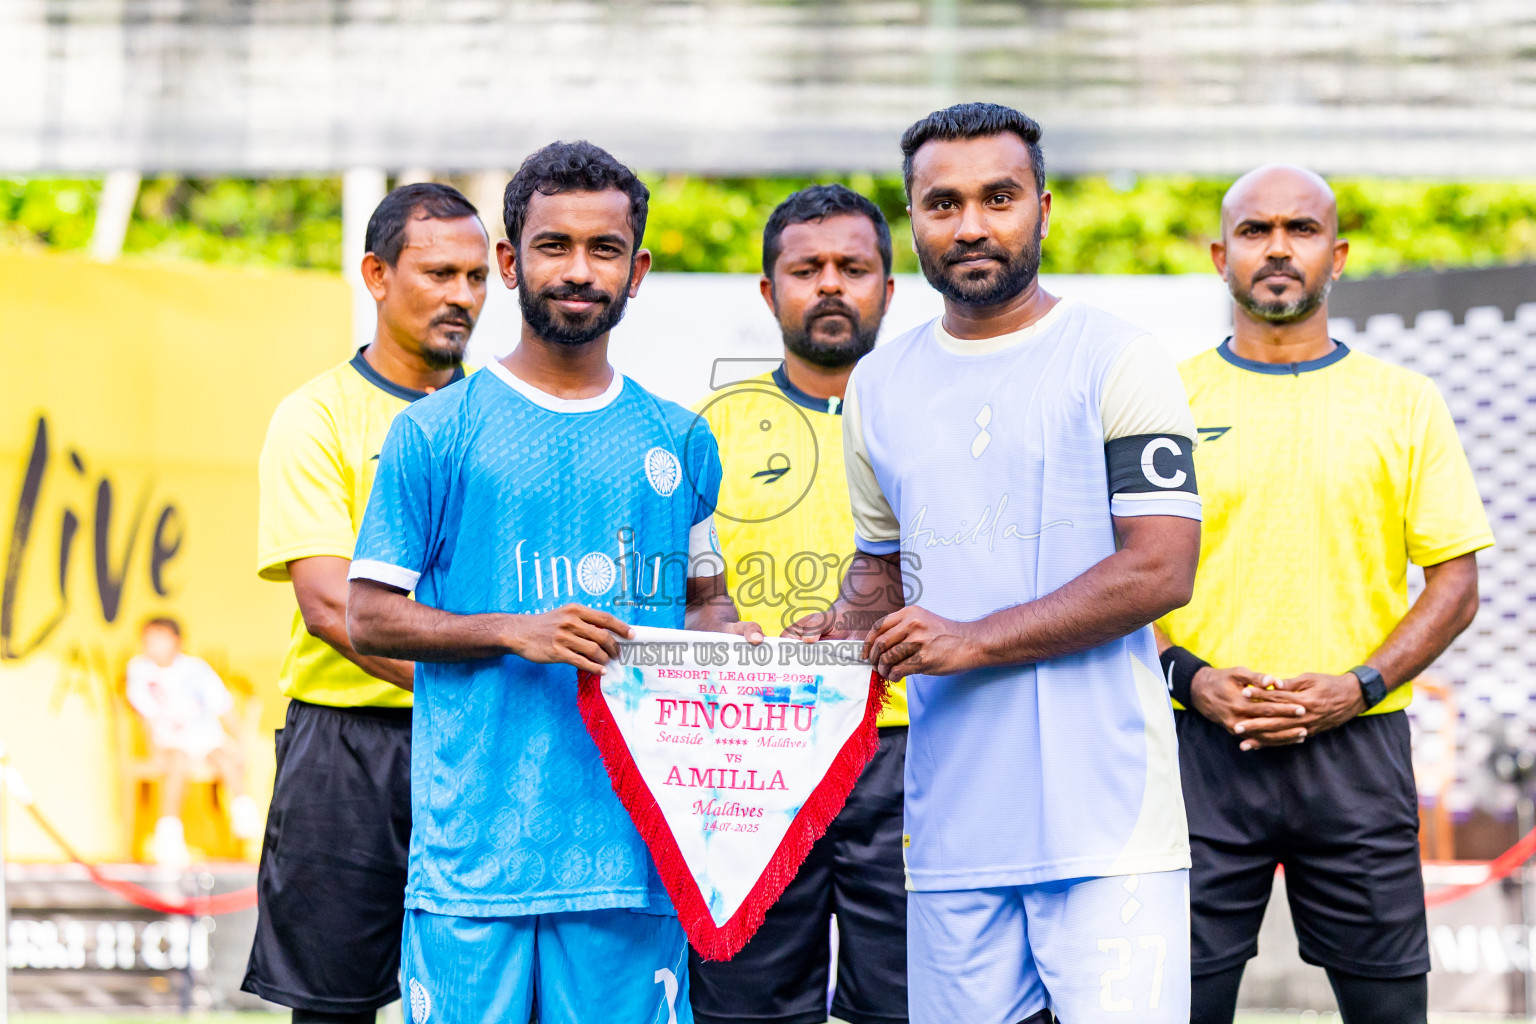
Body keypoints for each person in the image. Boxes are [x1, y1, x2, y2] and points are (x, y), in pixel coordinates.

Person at [788, 102, 1202, 1024]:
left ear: (1044, 210)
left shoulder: (1118, 360)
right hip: (953, 832)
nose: (972, 225)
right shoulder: (879, 384)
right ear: (915, 223)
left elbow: (1160, 571)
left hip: (1109, 830)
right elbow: (884, 568)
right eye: (943, 204)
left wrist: (973, 641)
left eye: (999, 197)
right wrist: (839, 633)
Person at [345, 140, 762, 1024]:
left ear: (637, 269)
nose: (579, 270)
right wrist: (510, 629)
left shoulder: (681, 440)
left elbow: (705, 604)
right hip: (473, 865)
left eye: (604, 249)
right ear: (510, 261)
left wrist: (734, 645)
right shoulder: (436, 433)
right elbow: (369, 617)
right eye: (553, 246)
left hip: (633, 860)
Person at [1155, 165, 1492, 1024]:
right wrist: (1190, 677)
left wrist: (1359, 686)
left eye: (1300, 230)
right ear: (1218, 254)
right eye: (1253, 230)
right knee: (1178, 1006)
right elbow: (1116, 575)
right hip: (1195, 748)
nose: (1276, 248)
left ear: (1336, 255)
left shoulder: (1404, 403)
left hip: (1358, 748)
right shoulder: (1163, 400)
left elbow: (1455, 584)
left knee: (1389, 1012)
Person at [242, 183, 489, 1024]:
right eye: (437, 273)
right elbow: (330, 607)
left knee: (484, 995)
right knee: (332, 1005)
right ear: (377, 275)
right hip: (349, 747)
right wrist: (476, 696)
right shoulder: (314, 416)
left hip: (486, 747)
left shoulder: (504, 420)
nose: (461, 295)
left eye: (476, 276)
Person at [689, 184, 908, 1024]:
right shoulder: (704, 431)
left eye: (852, 267)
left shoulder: (938, 422)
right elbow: (683, 590)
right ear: (767, 290)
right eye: (805, 267)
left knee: (908, 1004)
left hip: (907, 752)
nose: (829, 284)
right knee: (749, 1005)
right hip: (753, 757)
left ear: (887, 289)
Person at [126, 617, 260, 867]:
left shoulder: (196, 669)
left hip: (206, 737)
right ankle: (168, 836)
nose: (152, 644)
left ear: (177, 642)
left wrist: (242, 744)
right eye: (148, 639)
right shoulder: (139, 669)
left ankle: (244, 812)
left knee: (224, 758)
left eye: (160, 639)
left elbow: (223, 706)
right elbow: (144, 714)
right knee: (177, 764)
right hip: (168, 742)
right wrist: (154, 749)